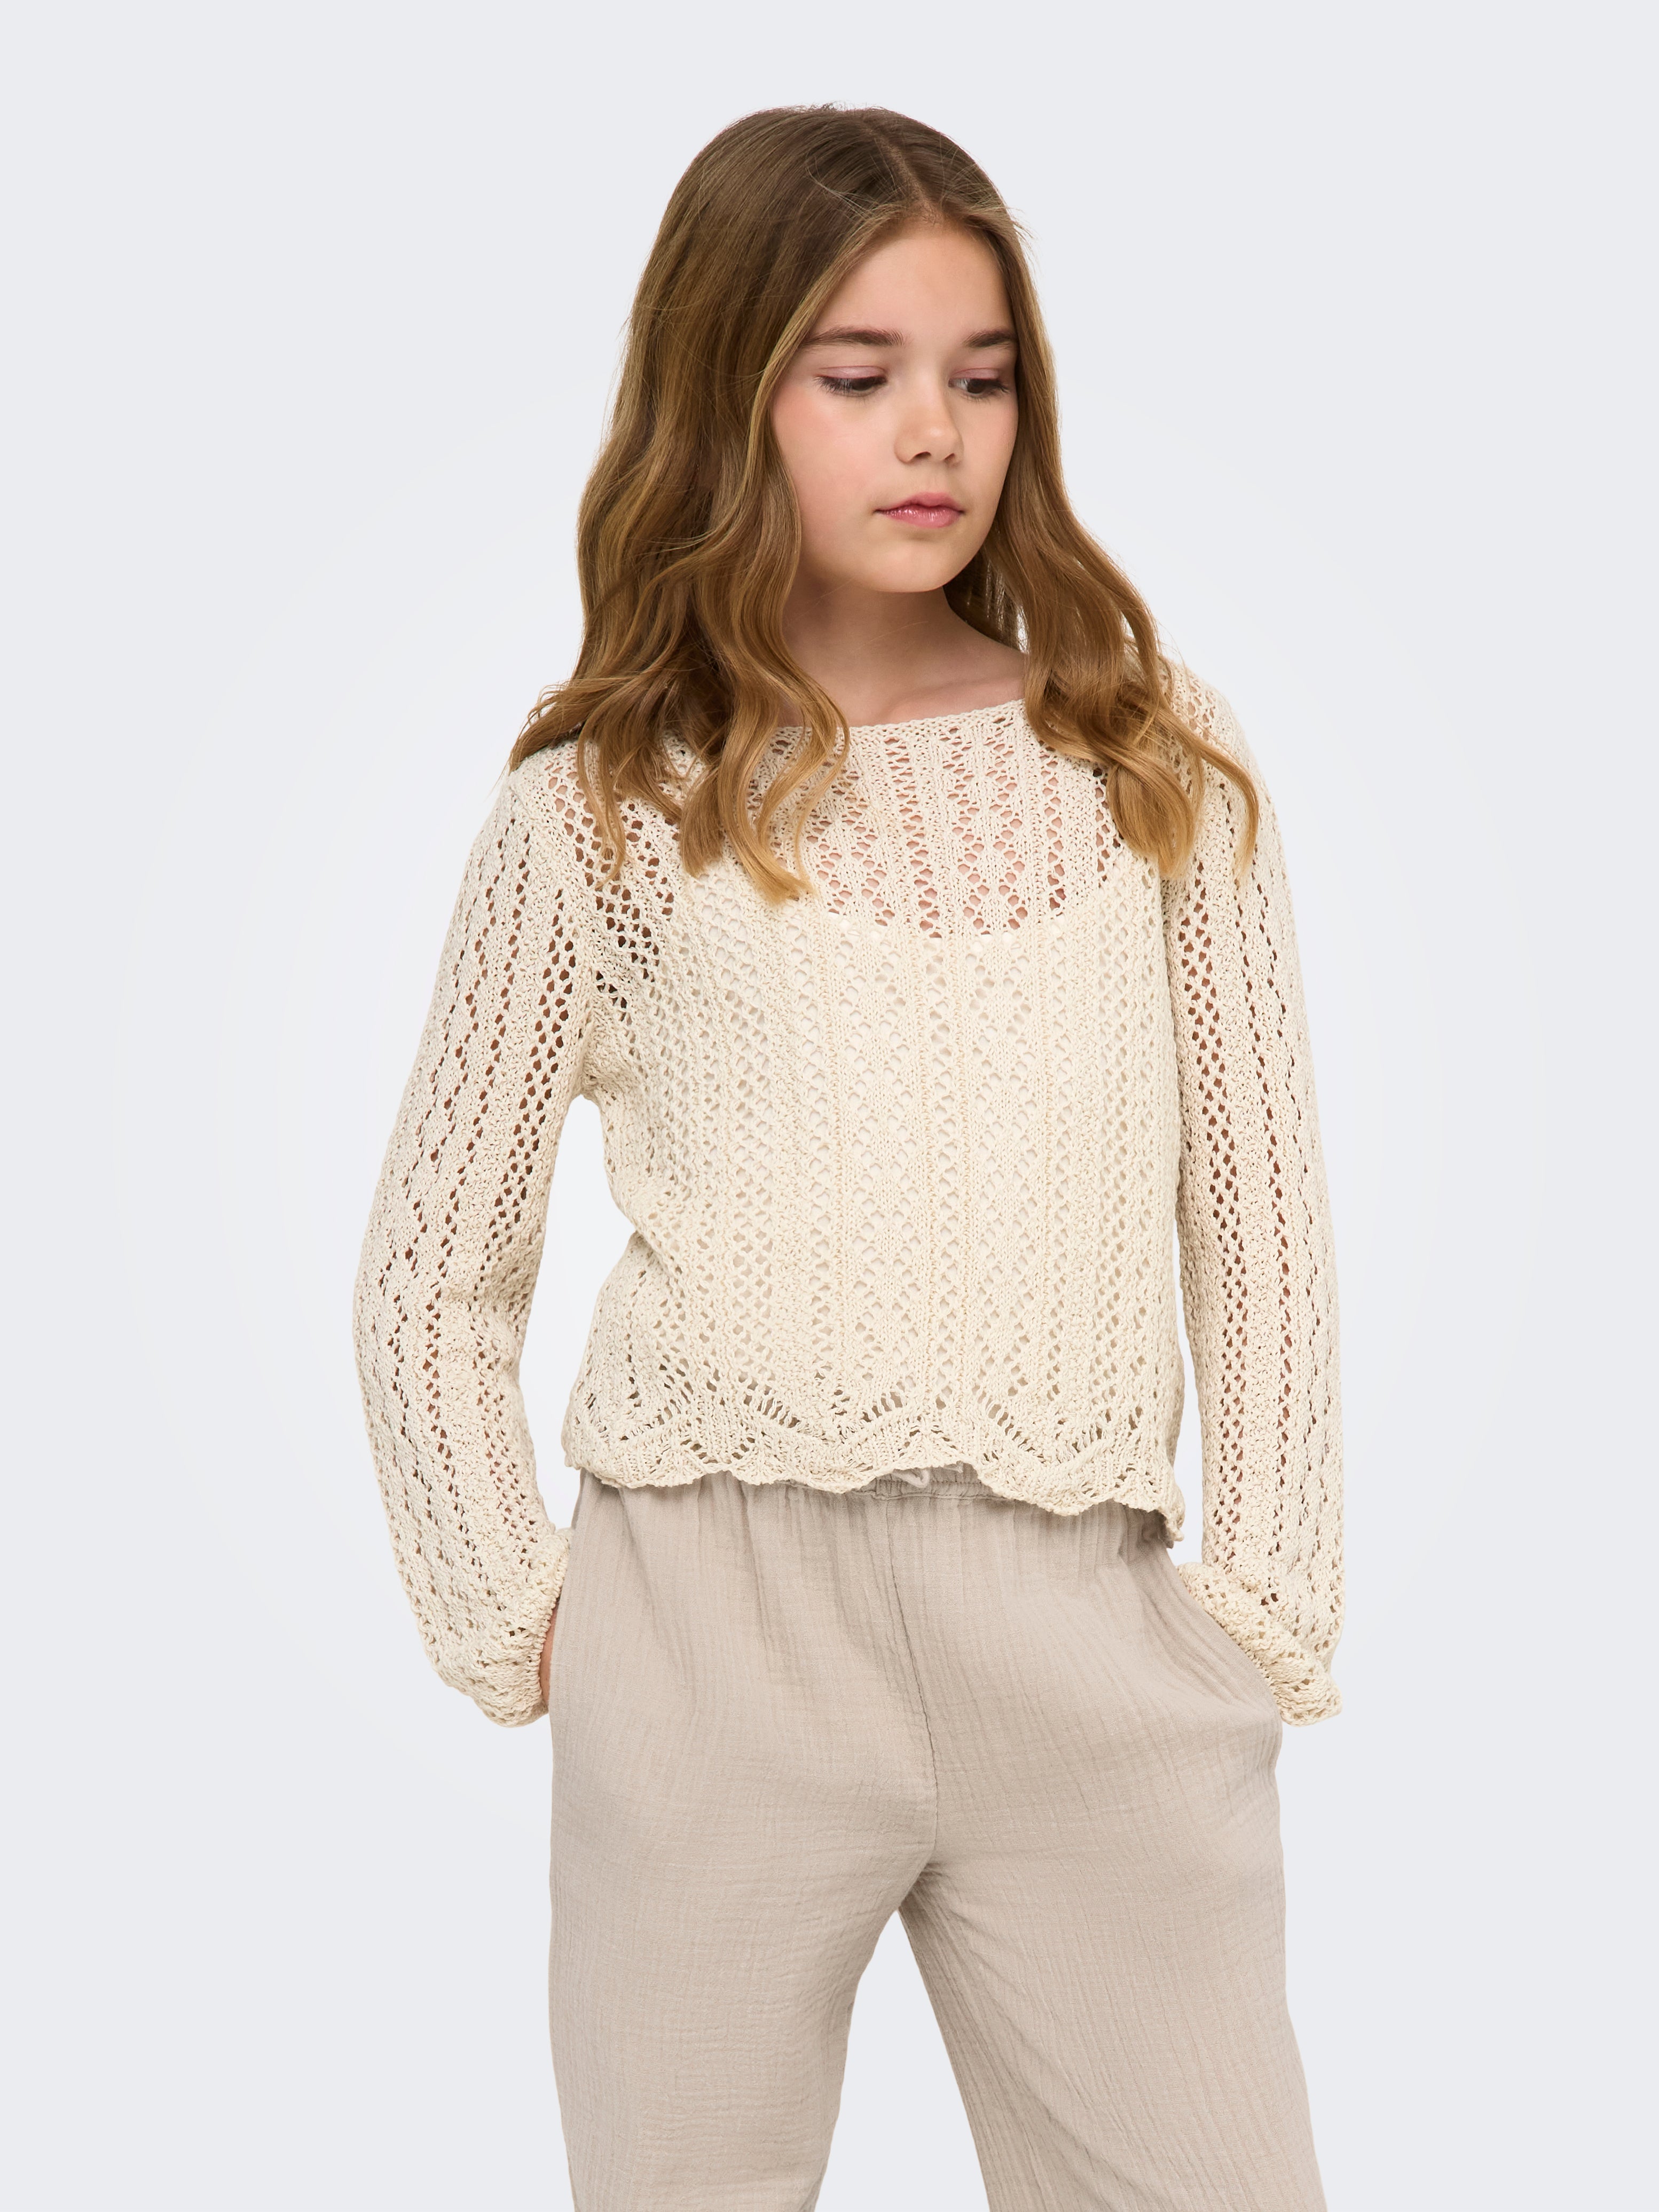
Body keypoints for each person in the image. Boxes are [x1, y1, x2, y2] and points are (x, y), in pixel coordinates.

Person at [353, 103, 1343, 2212]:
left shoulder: (1156, 762)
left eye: (981, 377)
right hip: (710, 1639)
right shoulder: (607, 806)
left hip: (1090, 1635)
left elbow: (1259, 1224)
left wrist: (1259, 1606)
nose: (933, 435)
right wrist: (527, 1623)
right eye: (856, 373)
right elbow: (433, 1264)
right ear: (728, 393)